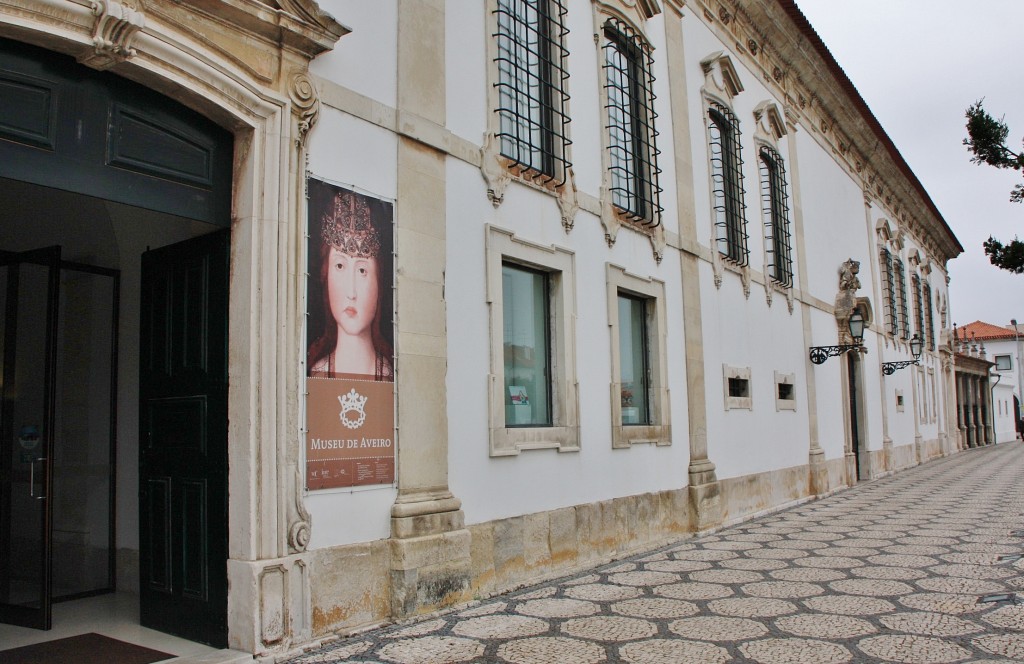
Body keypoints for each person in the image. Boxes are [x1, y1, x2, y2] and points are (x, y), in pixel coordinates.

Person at [308, 190, 393, 381]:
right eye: (340, 266)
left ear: (379, 280)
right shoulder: (318, 374)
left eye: (362, 270)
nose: (351, 292)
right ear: (325, 273)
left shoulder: (389, 375)